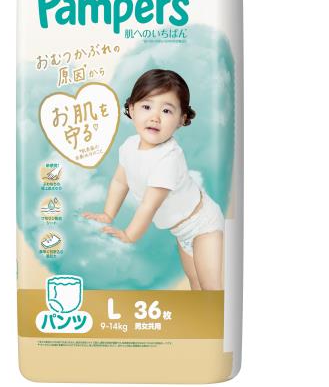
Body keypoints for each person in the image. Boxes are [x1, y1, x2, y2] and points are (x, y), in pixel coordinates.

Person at [82, 69, 224, 290]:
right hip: (181, 231)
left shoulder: (168, 158)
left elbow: (149, 205)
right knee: (195, 282)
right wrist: (108, 214)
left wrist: (129, 235)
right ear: (131, 109)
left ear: (182, 119)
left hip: (203, 225)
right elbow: (120, 182)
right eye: (146, 107)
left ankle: (218, 313)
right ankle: (200, 313)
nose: (155, 117)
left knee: (210, 288)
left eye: (166, 110)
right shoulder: (129, 146)